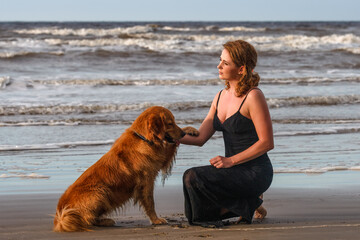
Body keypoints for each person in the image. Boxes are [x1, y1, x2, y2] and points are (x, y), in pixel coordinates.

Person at [179, 39, 274, 228]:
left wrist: (230, 161)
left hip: (255, 172)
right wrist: (171, 137)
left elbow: (267, 143)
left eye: (225, 63)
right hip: (232, 173)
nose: (219, 66)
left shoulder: (253, 96)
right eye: (220, 60)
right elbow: (200, 138)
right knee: (194, 214)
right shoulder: (220, 96)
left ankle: (250, 200)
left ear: (241, 69)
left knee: (192, 176)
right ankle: (249, 202)